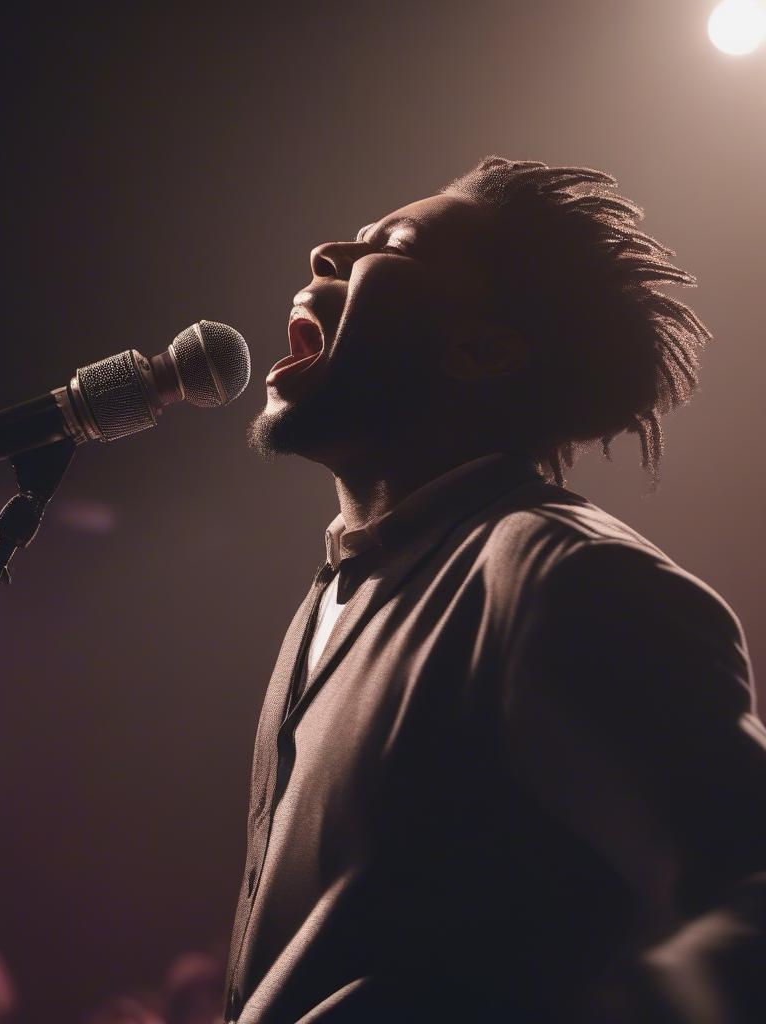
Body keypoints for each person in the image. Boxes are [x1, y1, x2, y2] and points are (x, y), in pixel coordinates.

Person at [227, 156, 766, 1022]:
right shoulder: (330, 600)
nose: (328, 253)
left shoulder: (570, 577)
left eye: (387, 248)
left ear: (481, 349)